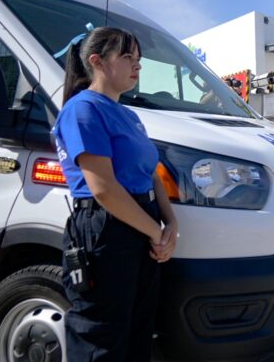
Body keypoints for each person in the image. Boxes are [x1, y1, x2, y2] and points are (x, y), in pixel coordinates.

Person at [53, 26, 178, 360]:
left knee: (138, 330)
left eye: (138, 59)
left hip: (142, 224)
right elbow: (104, 188)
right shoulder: (83, 110)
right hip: (106, 227)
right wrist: (156, 233)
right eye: (127, 57)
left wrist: (170, 225)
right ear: (97, 61)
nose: (137, 66)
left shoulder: (129, 115)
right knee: (101, 336)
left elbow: (150, 174)